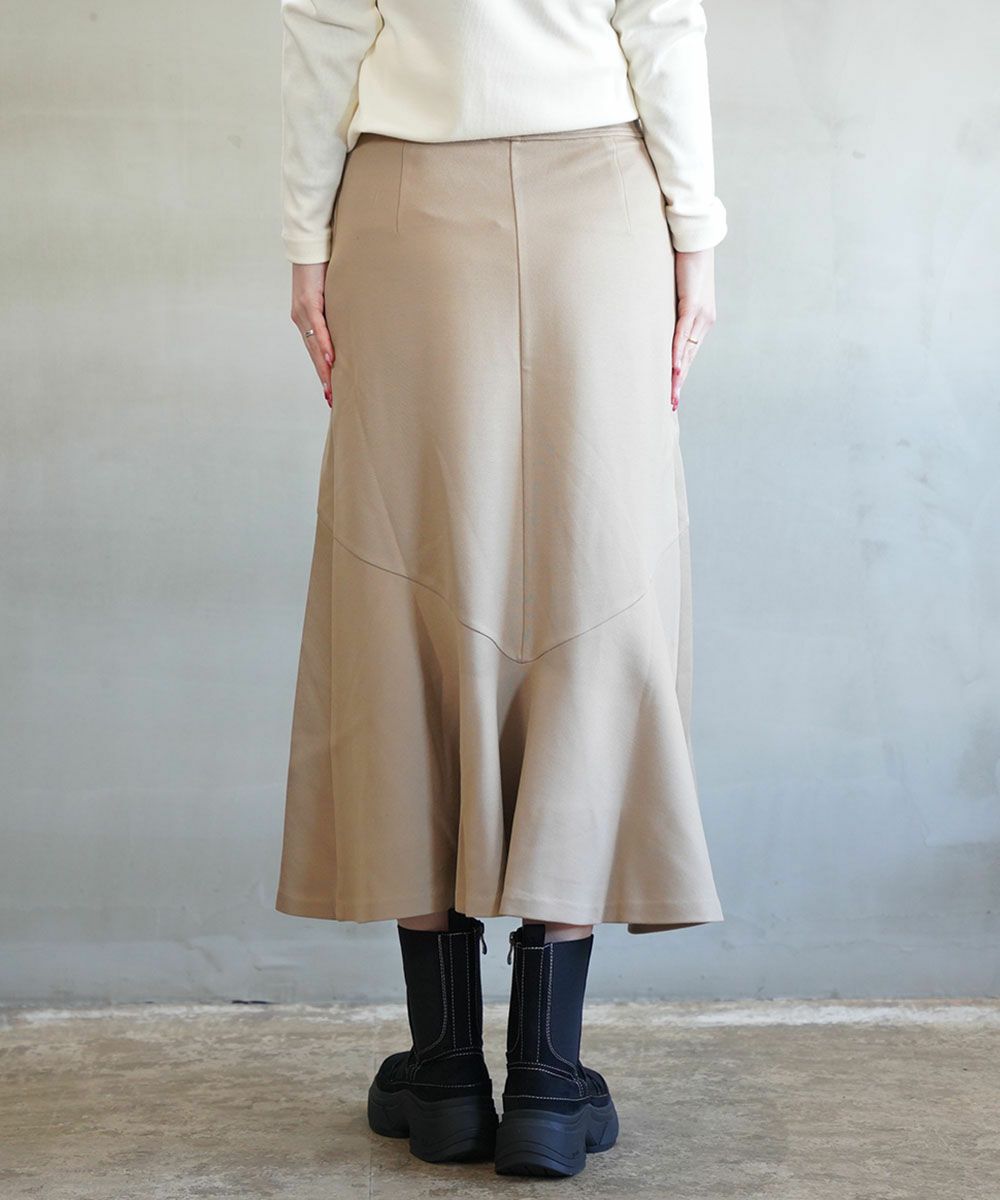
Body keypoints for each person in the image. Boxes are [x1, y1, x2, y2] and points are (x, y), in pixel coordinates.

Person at [275, 0, 726, 1179]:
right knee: (595, 578)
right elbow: (660, 26)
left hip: (405, 207)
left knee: (400, 586)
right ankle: (544, 1078)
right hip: (598, 204)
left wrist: (307, 241)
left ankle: (442, 1075)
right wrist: (694, 231)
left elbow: (327, 27)